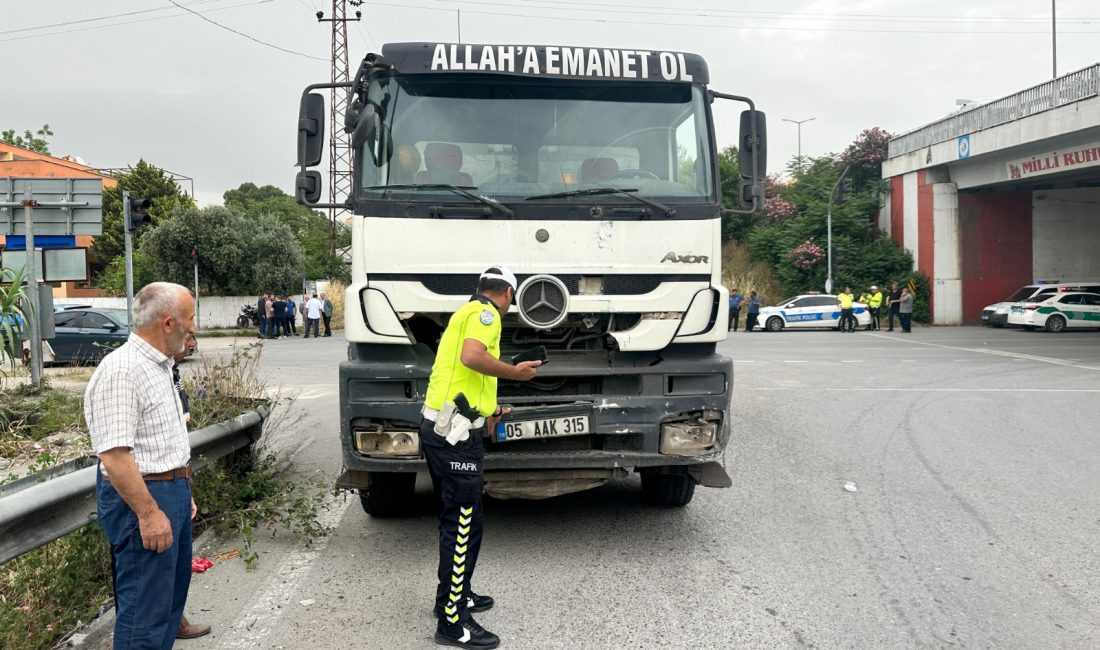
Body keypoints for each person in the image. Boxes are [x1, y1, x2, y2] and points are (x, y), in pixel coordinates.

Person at [422, 266, 541, 649]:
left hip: (451, 427)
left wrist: (489, 409)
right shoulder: (486, 315)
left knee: (463, 520)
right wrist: (514, 373)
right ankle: (453, 622)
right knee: (461, 525)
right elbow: (473, 358)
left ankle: (455, 597)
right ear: (507, 292)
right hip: (454, 436)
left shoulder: (465, 313)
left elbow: (463, 375)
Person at [85, 282, 198, 649]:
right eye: (190, 318)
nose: (194, 327)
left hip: (170, 491)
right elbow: (115, 457)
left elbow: (163, 440)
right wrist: (149, 513)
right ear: (168, 323)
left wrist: (183, 490)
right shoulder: (123, 370)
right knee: (144, 618)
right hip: (144, 499)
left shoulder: (159, 366)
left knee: (167, 606)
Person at [170, 332, 212, 641]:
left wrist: (185, 487)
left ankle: (174, 622)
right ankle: (160, 628)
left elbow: (174, 439)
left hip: (174, 480)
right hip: (153, 485)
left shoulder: (170, 372)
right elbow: (118, 454)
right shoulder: (134, 370)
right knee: (151, 574)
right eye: (189, 331)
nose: (193, 339)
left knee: (176, 566)